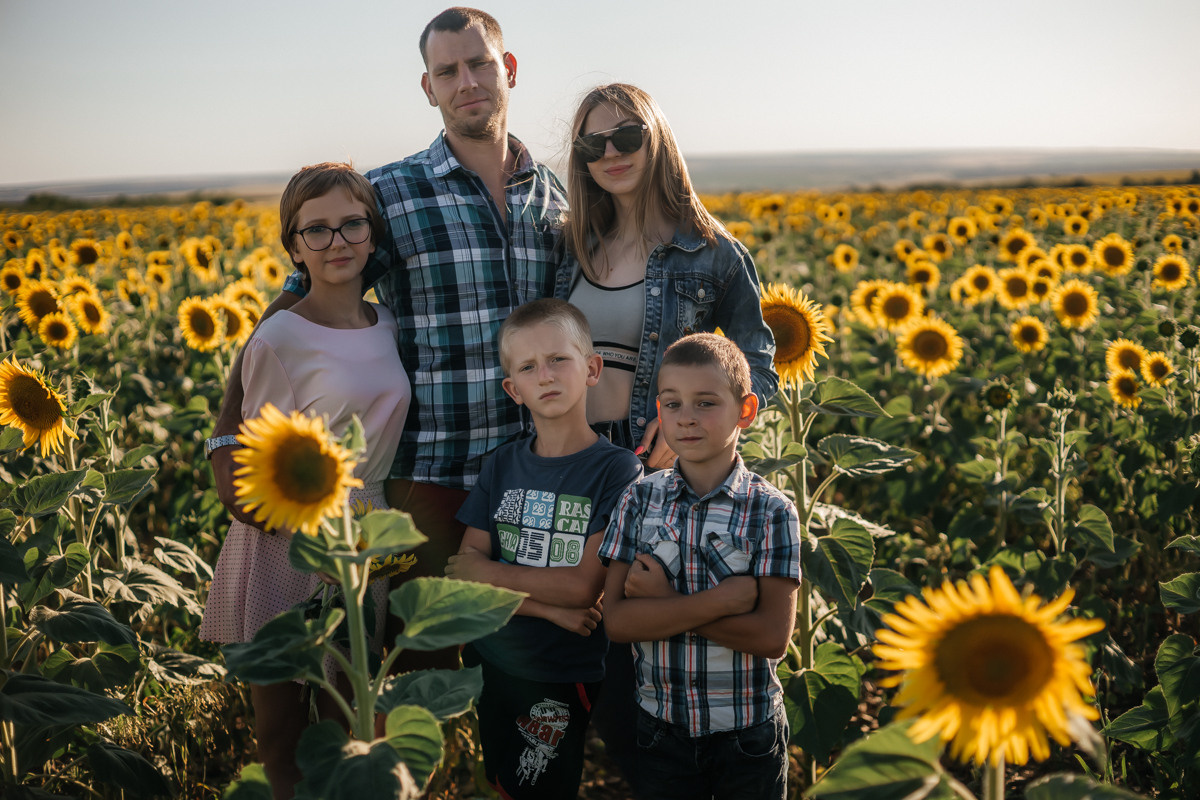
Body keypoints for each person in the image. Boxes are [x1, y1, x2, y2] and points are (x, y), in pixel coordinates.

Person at [205, 8, 567, 670]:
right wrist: (229, 432)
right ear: (428, 87)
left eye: (480, 63)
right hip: (428, 474)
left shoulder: (554, 198)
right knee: (416, 664)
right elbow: (298, 304)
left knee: (521, 663)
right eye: (447, 70)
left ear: (508, 70)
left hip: (526, 473)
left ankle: (493, 779)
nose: (468, 82)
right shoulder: (392, 194)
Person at [554, 82, 778, 791]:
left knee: (650, 662)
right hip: (579, 463)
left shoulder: (712, 253)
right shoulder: (574, 246)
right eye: (594, 144)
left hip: (661, 474)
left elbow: (759, 372)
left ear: (658, 142)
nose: (611, 154)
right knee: (578, 651)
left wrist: (686, 436)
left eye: (628, 137)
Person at [198, 163, 410, 798]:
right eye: (315, 230)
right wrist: (305, 534)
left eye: (351, 224)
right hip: (290, 536)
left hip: (364, 532)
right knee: (282, 733)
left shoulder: (392, 325)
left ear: (373, 235)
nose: (337, 241)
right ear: (293, 246)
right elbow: (259, 452)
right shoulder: (280, 336)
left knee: (351, 721)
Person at [444, 298, 643, 799]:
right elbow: (461, 577)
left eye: (559, 359)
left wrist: (490, 575)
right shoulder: (501, 464)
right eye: (528, 367)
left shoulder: (616, 470)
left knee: (542, 787)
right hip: (493, 658)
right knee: (503, 783)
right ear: (513, 389)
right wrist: (547, 610)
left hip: (560, 670)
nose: (546, 376)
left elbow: (581, 586)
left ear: (592, 368)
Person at [599, 333, 801, 800]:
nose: (686, 418)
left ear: (745, 411)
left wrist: (667, 605)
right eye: (672, 404)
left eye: (705, 402)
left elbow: (772, 637)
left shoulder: (770, 511)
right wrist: (719, 603)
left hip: (748, 734)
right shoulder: (638, 498)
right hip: (661, 729)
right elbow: (619, 621)